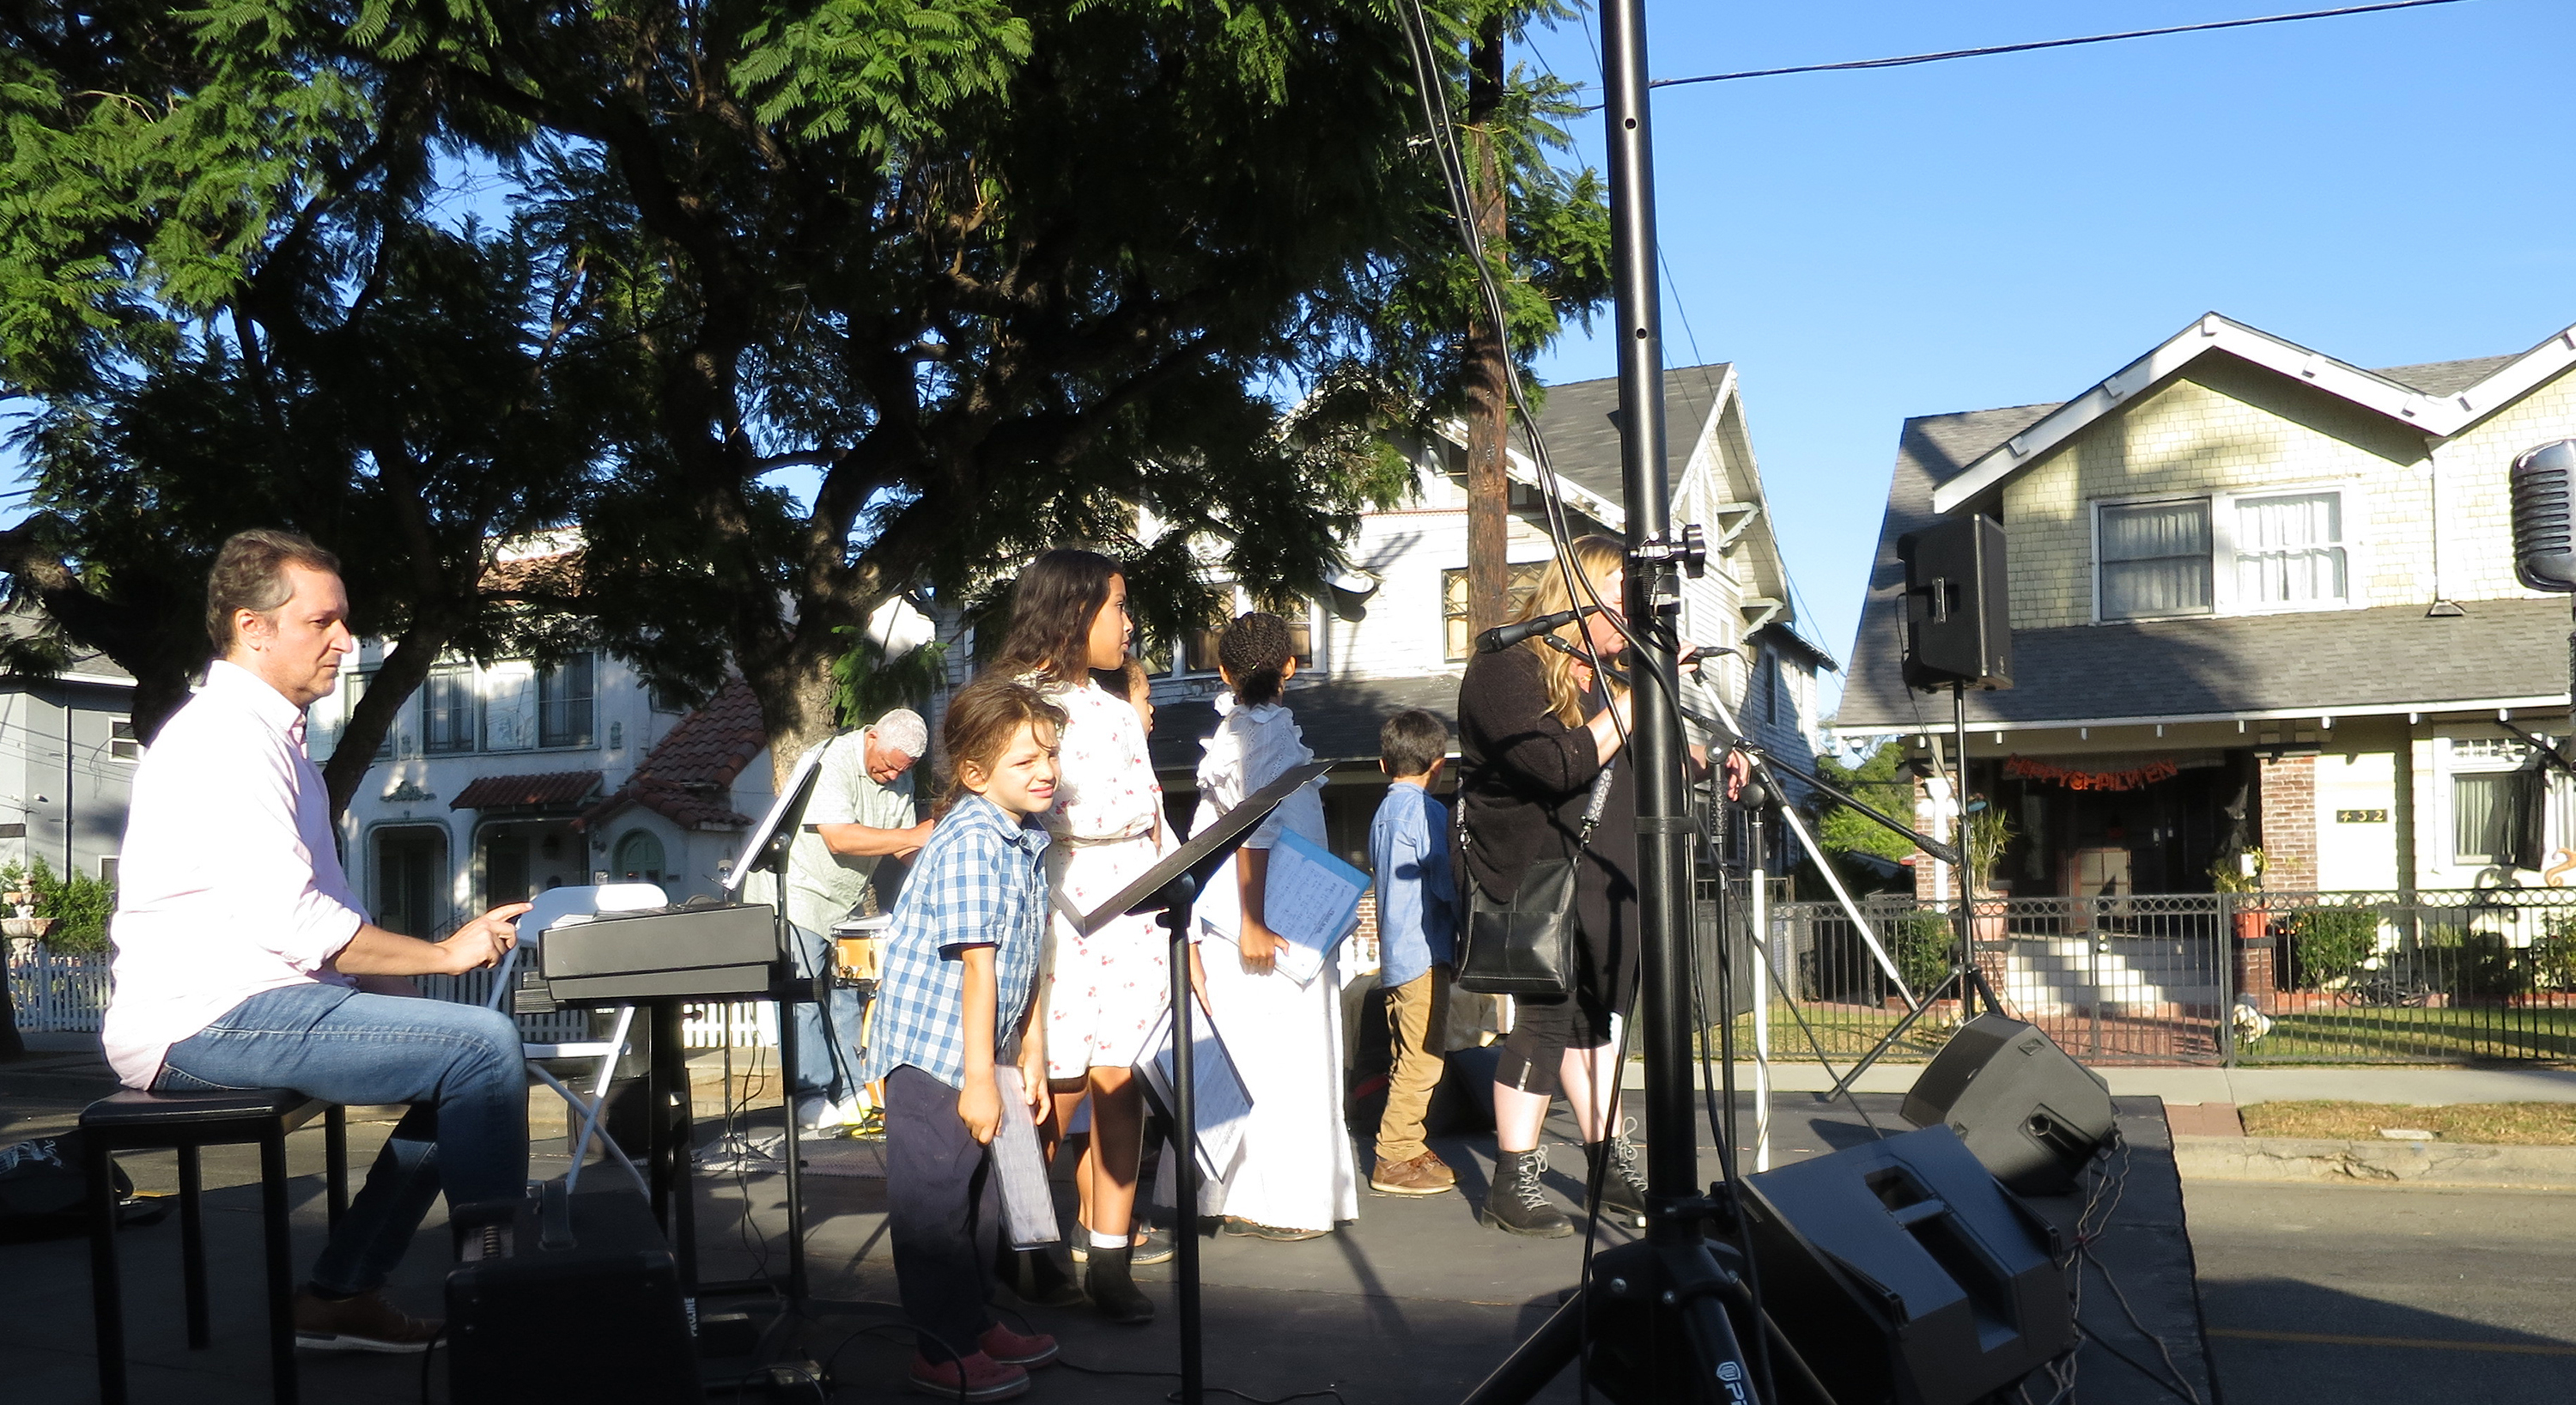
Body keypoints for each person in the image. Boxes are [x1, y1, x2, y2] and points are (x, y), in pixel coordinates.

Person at [100, 529, 533, 1351]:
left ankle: (341, 1295)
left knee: (473, 1058)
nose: (347, 640)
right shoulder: (225, 739)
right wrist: (446, 957)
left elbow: (329, 905)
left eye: (345, 620)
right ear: (252, 627)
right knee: (482, 1049)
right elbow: (298, 925)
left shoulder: (276, 741)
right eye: (322, 622)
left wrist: (422, 1012)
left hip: (264, 1005)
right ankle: (505, 1308)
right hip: (202, 1021)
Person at [850, 677, 1066, 1402]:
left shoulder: (1024, 835)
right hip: (935, 1055)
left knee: (982, 1201)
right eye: (1025, 760)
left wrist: (1028, 1052)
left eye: (1050, 754)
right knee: (936, 1208)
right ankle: (939, 1349)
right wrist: (979, 1079)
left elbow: (1026, 953)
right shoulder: (974, 839)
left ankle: (972, 1323)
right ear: (975, 773)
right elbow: (979, 966)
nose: (1045, 770)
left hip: (980, 1049)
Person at [1453, 535, 1662, 1238]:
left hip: (1595, 873)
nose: (1631, 620)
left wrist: (1702, 759)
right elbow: (1554, 764)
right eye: (1621, 604)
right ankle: (1512, 1181)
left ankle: (1607, 1165)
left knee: (1592, 1019)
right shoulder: (1505, 665)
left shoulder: (1603, 674)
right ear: (1583, 598)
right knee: (1544, 1019)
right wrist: (1631, 702)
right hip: (1533, 874)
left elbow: (1634, 764)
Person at [996, 549, 1166, 1322]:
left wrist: (1187, 933)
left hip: (1137, 907)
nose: (1128, 624)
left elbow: (1155, 816)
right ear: (1072, 611)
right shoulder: (1018, 705)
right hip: (1059, 908)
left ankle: (1110, 1256)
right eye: (1118, 607)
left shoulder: (1117, 709)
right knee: (1054, 1088)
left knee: (1121, 1081)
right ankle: (1029, 1246)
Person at [1187, 611, 1359, 1241]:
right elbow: (1252, 827)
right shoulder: (1265, 728)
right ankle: (1284, 1201)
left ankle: (1236, 1194)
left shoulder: (1234, 728)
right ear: (1290, 666)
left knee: (1247, 1052)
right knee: (1286, 1055)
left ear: (1224, 672)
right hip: (1268, 916)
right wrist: (1254, 920)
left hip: (1247, 909)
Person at [782, 709, 935, 1131]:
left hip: (845, 899)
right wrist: (913, 836)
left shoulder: (900, 775)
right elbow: (839, 837)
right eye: (887, 766)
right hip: (801, 891)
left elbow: (903, 846)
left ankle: (853, 1090)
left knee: (847, 993)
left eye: (903, 770)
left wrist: (934, 867)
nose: (893, 776)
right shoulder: (830, 759)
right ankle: (809, 1095)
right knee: (806, 995)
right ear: (872, 738)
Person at [1366, 709, 1459, 1196]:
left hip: (1396, 956)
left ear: (1384, 765)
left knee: (1405, 1056)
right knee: (1423, 1060)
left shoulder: (1383, 814)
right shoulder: (1429, 813)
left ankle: (1408, 1143)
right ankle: (1395, 1153)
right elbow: (1445, 884)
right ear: (1438, 766)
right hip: (1425, 952)